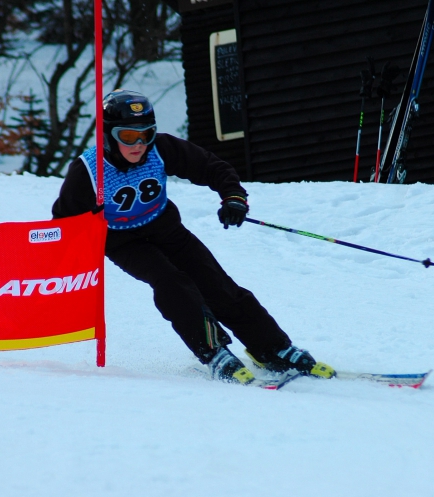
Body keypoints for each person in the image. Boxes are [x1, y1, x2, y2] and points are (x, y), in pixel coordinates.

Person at [53, 89, 333, 384]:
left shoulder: (160, 149)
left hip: (167, 230)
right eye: (128, 136)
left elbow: (211, 166)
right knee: (171, 283)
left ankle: (272, 348)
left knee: (218, 285)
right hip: (125, 243)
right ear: (108, 136)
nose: (139, 145)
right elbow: (64, 224)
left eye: (146, 134)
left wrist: (233, 198)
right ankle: (213, 352)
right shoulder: (88, 171)